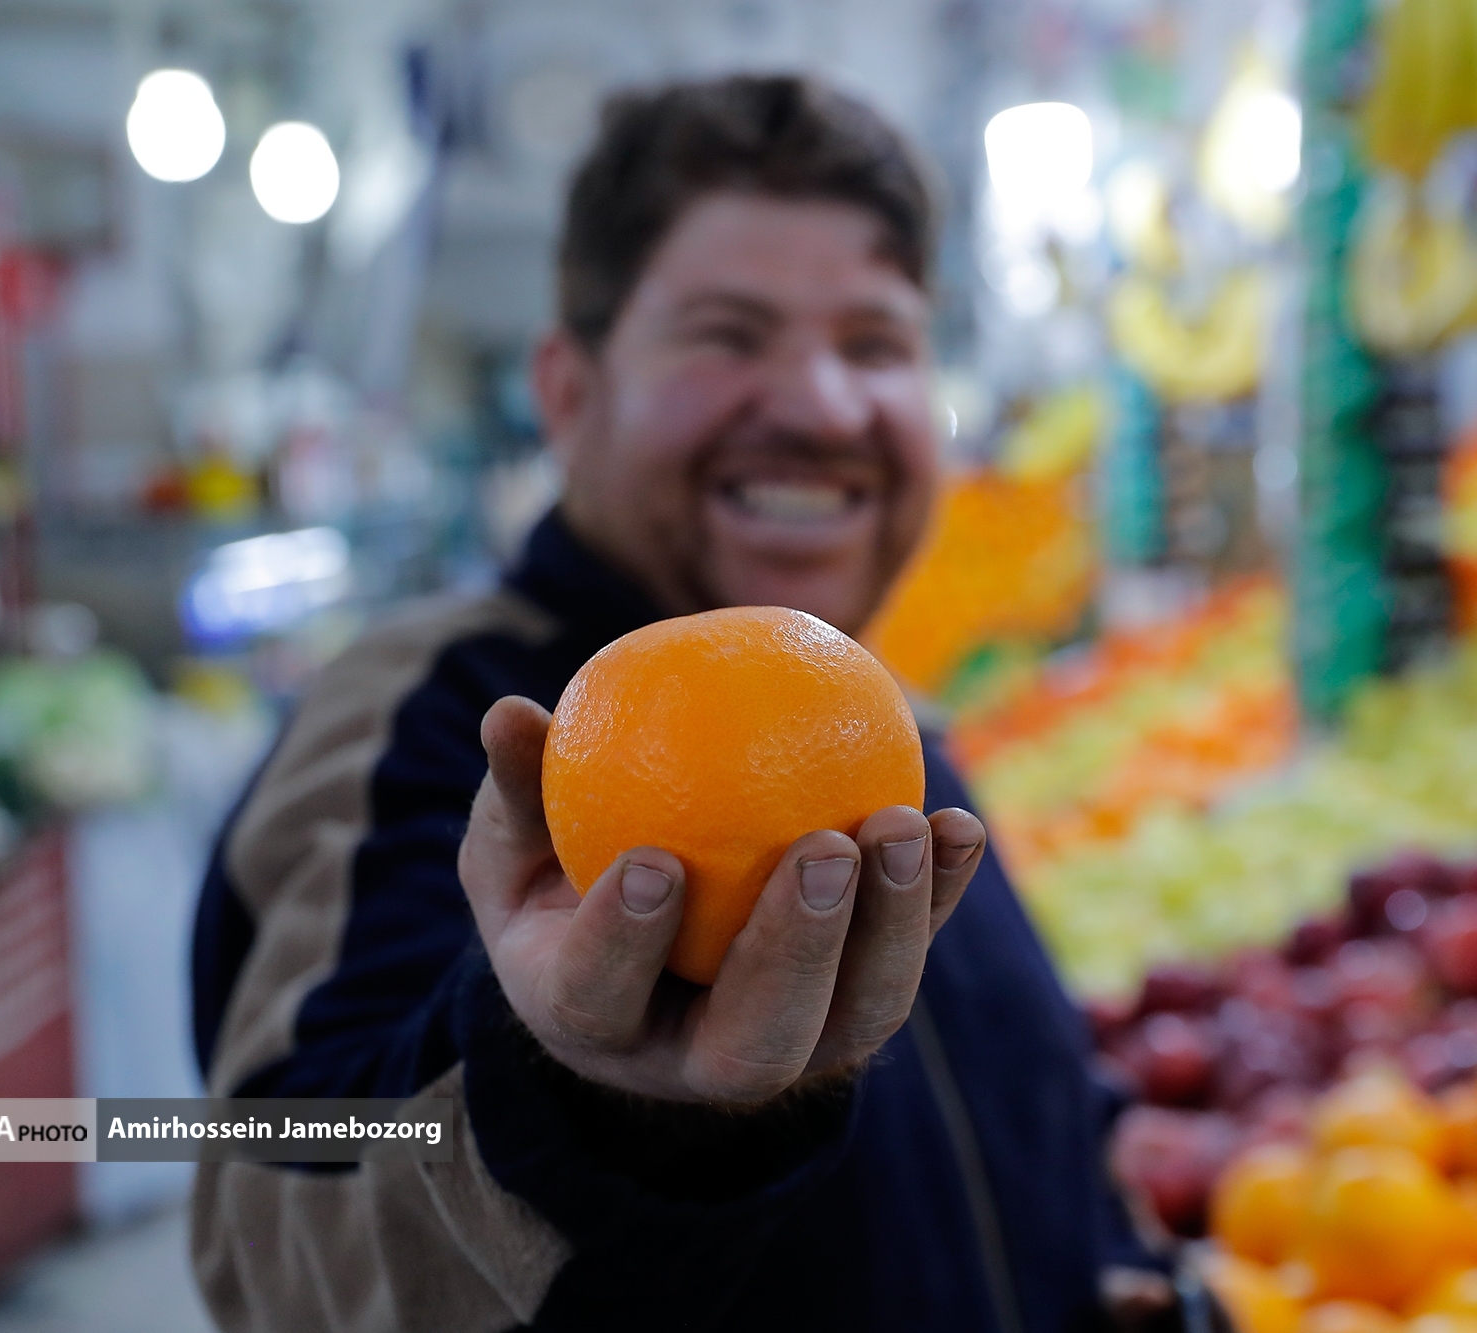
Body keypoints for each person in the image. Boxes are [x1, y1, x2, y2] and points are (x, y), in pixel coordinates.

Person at [190, 74, 1168, 1332]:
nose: (822, 406)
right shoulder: (419, 722)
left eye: (875, 344)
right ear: (568, 393)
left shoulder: (880, 735)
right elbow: (277, 1236)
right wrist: (579, 1099)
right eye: (727, 335)